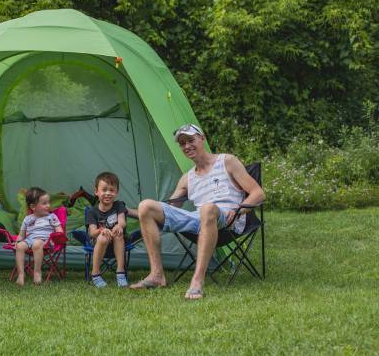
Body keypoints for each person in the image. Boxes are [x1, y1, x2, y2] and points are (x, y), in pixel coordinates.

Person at [130, 123, 265, 300]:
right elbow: (170, 209)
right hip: (198, 219)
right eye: (182, 143)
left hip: (228, 218)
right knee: (146, 205)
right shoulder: (187, 178)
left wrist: (238, 210)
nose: (187, 146)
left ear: (202, 138)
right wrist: (130, 212)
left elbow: (258, 193)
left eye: (191, 140)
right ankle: (156, 275)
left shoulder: (227, 161)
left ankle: (197, 281)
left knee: (208, 208)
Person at [14, 187, 63, 286]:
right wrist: (17, 242)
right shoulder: (28, 219)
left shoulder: (52, 217)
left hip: (46, 241)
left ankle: (37, 272)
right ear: (33, 207)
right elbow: (22, 235)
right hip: (30, 240)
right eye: (44, 203)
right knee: (20, 246)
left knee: (37, 244)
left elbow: (59, 231)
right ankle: (20, 274)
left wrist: (55, 238)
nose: (48, 205)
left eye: (48, 202)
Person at [87, 172, 129, 288]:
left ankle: (120, 273)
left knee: (118, 233)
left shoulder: (119, 205)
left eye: (111, 190)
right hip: (100, 243)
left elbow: (122, 221)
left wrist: (119, 226)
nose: (108, 193)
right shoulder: (92, 212)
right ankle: (95, 274)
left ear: (117, 192)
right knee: (103, 236)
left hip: (117, 242)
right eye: (104, 190)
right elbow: (92, 232)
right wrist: (102, 230)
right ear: (96, 191)